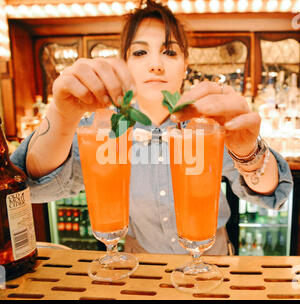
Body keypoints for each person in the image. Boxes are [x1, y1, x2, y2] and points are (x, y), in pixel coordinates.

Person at [11, 0, 293, 255]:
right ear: (125, 63)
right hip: (141, 271)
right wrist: (61, 115)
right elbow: (31, 185)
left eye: (169, 52)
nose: (156, 64)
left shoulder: (206, 124)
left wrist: (247, 151)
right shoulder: (102, 129)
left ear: (185, 64)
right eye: (140, 52)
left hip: (212, 265)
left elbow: (271, 193)